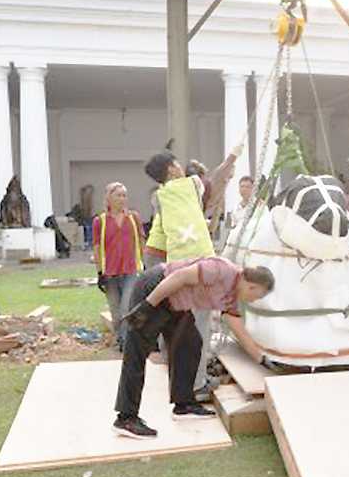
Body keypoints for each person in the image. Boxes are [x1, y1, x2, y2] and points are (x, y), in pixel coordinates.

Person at [114, 257, 275, 437]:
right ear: (252, 285)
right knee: (137, 352)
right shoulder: (222, 270)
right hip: (156, 288)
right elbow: (179, 278)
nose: (254, 300)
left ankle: (184, 405)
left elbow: (238, 328)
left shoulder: (232, 295)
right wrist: (147, 306)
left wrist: (261, 358)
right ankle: (126, 418)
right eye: (258, 296)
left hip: (176, 303)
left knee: (190, 343)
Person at [142, 146, 242, 397]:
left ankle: (185, 378)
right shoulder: (190, 185)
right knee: (199, 327)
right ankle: (196, 386)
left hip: (175, 267)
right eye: (178, 164)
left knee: (183, 326)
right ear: (173, 168)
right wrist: (232, 157)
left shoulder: (160, 197)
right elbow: (214, 181)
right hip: (199, 268)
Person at [92, 182, 144, 349]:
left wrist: (142, 263)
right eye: (118, 195)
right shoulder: (99, 221)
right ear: (109, 198)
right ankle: (122, 339)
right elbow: (97, 247)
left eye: (124, 195)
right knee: (115, 312)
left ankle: (126, 343)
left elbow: (141, 241)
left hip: (131, 270)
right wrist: (99, 272)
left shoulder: (133, 217)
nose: (122, 199)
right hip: (110, 272)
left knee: (126, 308)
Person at [221, 175, 256, 250]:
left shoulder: (259, 207)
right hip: (236, 245)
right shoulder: (235, 208)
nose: (244, 189)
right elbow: (230, 227)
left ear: (253, 189)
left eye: (247, 187)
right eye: (242, 186)